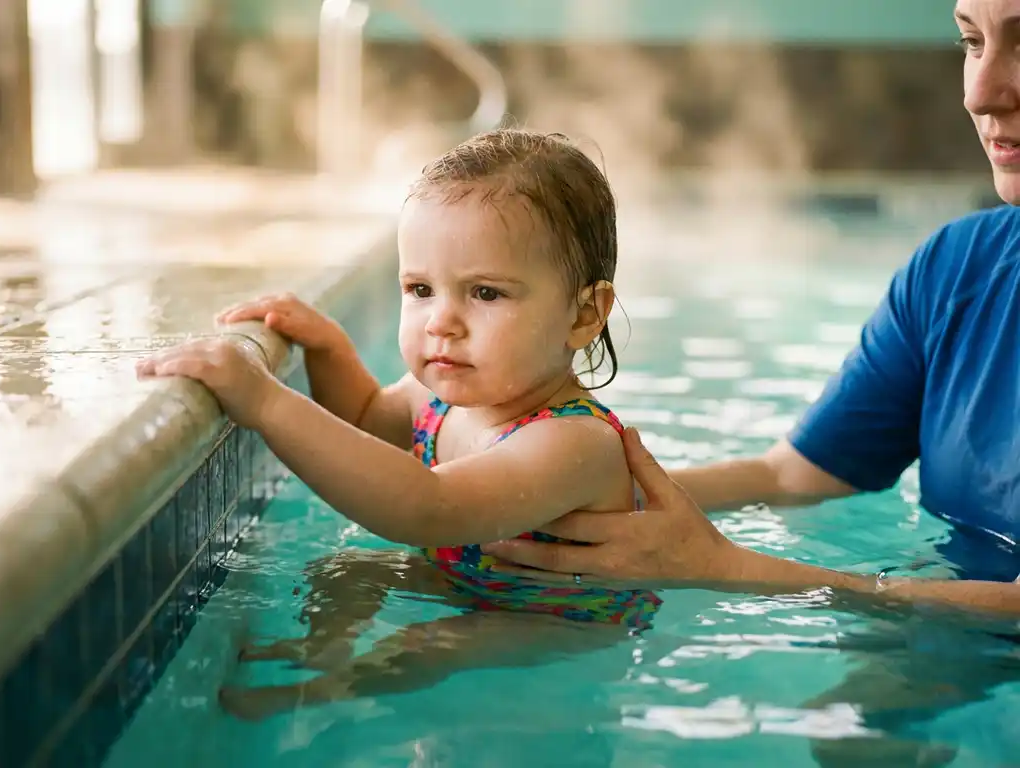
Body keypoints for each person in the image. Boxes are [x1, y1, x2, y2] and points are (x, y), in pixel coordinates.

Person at [481, 0, 1020, 618]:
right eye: (971, 43)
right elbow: (793, 475)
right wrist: (558, 491)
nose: (980, 94)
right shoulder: (959, 271)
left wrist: (725, 569)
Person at [135, 128, 662, 719]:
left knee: (434, 643)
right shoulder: (439, 397)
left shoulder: (573, 442)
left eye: (485, 293)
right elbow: (363, 417)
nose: (443, 322)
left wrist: (264, 401)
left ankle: (329, 694)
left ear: (584, 314)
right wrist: (329, 349)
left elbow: (425, 509)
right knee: (349, 567)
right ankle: (321, 652)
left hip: (561, 623)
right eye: (420, 289)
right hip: (468, 584)